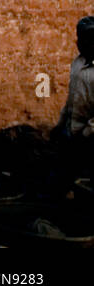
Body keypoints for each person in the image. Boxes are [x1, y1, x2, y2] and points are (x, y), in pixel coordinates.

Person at [53, 16, 94, 183]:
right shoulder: (77, 64)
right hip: (74, 132)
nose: (81, 44)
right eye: (81, 39)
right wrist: (61, 123)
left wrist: (84, 135)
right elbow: (72, 98)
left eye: (88, 40)